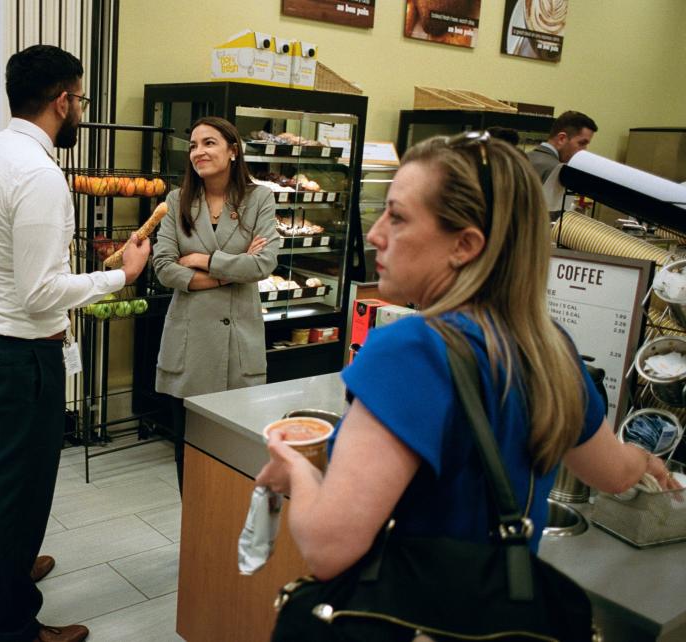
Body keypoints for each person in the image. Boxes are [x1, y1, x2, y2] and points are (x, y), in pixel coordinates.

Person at [256, 132, 680, 596]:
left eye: (397, 218)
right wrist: (646, 459)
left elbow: (328, 546)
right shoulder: (549, 347)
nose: (375, 234)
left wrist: (296, 465)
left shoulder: (408, 350)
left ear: (465, 245)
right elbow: (614, 473)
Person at [0, 44, 150, 642]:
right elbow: (42, 293)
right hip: (21, 355)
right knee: (24, 486)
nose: (82, 110)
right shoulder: (38, 174)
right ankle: (14, 623)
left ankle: (10, 570)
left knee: (6, 476)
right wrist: (122, 275)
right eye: (81, 99)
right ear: (63, 100)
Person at [153, 116, 278, 491]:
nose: (198, 152)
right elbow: (162, 266)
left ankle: (227, 537)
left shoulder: (260, 199)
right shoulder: (177, 201)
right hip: (189, 346)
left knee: (236, 454)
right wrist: (228, 274)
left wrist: (203, 260)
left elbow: (265, 263)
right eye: (193, 145)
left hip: (237, 346)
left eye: (209, 143)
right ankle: (195, 542)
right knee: (188, 453)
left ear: (233, 150)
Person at [527, 110, 598, 183]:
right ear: (561, 139)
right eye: (582, 143)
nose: (584, 150)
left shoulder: (523, 158)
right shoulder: (557, 170)